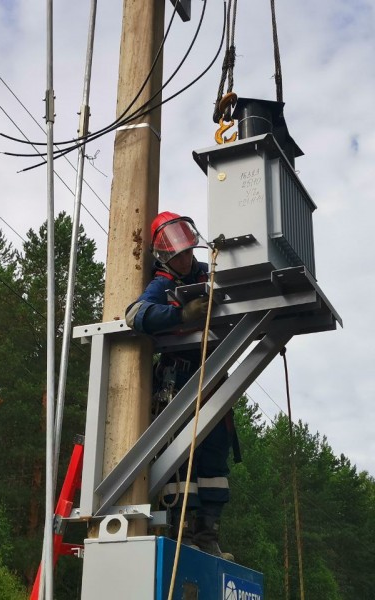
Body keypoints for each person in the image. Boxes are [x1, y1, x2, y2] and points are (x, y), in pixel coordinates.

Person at [125, 211, 240, 560]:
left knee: (214, 457)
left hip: (211, 376)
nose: (186, 257)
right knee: (182, 458)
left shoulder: (209, 272)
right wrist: (181, 314)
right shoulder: (162, 284)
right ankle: (184, 532)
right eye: (179, 254)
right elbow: (135, 315)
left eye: (189, 251)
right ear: (165, 257)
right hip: (179, 379)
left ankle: (209, 535)